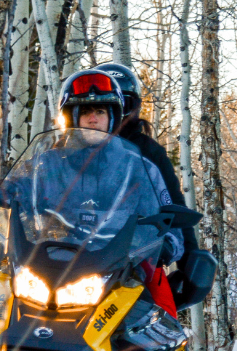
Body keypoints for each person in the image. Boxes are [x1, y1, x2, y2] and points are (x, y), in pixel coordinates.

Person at [54, 68, 184, 268]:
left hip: (125, 263)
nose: (93, 119)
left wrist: (166, 243)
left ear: (113, 117)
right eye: (86, 112)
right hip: (60, 260)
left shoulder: (140, 164)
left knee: (158, 298)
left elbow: (168, 211)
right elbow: (24, 186)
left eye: (100, 112)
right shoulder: (53, 162)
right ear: (73, 117)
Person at [95, 62, 199, 268]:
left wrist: (190, 263)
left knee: (159, 297)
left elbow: (173, 205)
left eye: (121, 103)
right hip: (73, 252)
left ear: (133, 107)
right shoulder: (70, 151)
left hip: (134, 256)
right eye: (103, 105)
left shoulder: (149, 152)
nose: (114, 110)